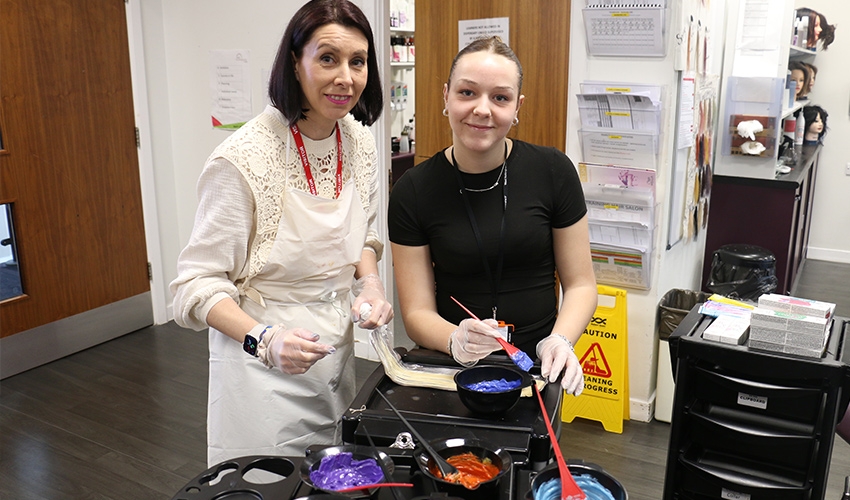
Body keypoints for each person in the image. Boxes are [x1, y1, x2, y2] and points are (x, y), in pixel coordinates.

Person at [170, 0, 391, 466]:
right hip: (259, 370)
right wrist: (264, 341)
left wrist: (369, 283)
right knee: (273, 479)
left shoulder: (358, 141)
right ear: (295, 61)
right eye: (327, 58)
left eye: (358, 61)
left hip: (335, 350)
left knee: (332, 473)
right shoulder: (244, 159)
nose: (345, 78)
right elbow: (196, 286)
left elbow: (364, 237)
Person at [388, 37, 597, 396]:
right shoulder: (413, 189)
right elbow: (417, 313)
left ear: (517, 106)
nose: (482, 109)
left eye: (500, 97)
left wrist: (560, 340)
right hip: (452, 369)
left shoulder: (552, 171)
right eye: (467, 92)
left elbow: (581, 284)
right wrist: (456, 339)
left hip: (539, 366)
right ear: (446, 96)